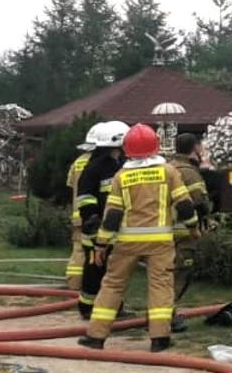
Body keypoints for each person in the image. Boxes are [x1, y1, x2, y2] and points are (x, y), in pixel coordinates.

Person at [80, 124, 195, 353]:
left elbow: (112, 215)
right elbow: (184, 205)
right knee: (160, 287)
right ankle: (159, 338)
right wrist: (193, 228)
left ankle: (96, 336)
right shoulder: (168, 172)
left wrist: (101, 244)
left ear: (127, 149)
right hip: (160, 242)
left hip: (127, 243)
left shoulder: (121, 176)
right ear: (156, 146)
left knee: (112, 286)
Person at [74, 121, 128, 319]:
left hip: (114, 229)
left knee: (113, 272)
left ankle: (115, 307)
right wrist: (93, 222)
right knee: (95, 270)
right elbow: (85, 198)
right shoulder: (95, 168)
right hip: (97, 230)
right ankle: (87, 306)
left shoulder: (119, 165)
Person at [165, 132, 211, 333]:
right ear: (194, 149)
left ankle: (162, 313)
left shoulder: (166, 167)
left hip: (163, 231)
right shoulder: (189, 172)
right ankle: (166, 316)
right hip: (184, 232)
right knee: (180, 275)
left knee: (163, 275)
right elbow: (199, 202)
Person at [64, 126, 98, 291]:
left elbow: (71, 184)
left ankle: (74, 284)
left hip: (78, 213)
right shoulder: (101, 163)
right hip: (95, 213)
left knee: (78, 250)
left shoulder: (77, 162)